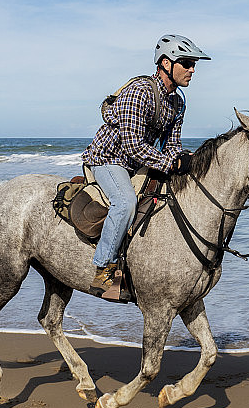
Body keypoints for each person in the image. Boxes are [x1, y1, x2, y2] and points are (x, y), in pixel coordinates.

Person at [81, 34, 211, 297]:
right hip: (109, 159)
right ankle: (103, 270)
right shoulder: (139, 92)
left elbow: (172, 143)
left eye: (193, 64)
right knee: (126, 203)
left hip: (136, 162)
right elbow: (132, 145)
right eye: (186, 63)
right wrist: (169, 162)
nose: (192, 69)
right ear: (165, 63)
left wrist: (183, 158)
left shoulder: (178, 101)